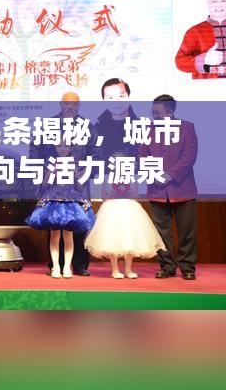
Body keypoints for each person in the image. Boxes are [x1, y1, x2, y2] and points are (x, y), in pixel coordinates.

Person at [29, 91, 100, 276]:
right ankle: (55, 265)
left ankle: (80, 265)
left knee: (80, 224)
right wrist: (44, 172)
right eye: (67, 103)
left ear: (79, 106)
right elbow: (34, 151)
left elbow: (96, 153)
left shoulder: (87, 126)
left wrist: (86, 172)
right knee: (54, 225)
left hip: (78, 183)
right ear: (60, 104)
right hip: (53, 183)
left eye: (74, 104)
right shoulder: (48, 125)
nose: (70, 107)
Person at [138, 95, 199, 280]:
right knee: (161, 231)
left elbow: (189, 157)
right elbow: (142, 156)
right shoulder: (146, 130)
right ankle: (167, 267)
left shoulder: (187, 128)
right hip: (156, 189)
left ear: (170, 111)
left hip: (183, 189)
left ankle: (187, 267)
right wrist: (156, 175)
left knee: (187, 231)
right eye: (153, 112)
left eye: (157, 112)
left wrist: (169, 175)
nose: (154, 115)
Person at [84, 152, 166, 278]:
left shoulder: (131, 178)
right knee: (112, 239)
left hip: (130, 210)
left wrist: (131, 193)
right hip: (111, 210)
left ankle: (128, 269)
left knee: (129, 239)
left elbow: (136, 195)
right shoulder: (107, 178)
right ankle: (115, 270)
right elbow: (104, 197)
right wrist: (110, 195)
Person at [25, 141, 96, 278]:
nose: (62, 149)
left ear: (71, 148)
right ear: (55, 148)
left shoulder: (74, 164)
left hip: (71, 200)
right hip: (54, 200)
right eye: (59, 146)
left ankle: (67, 267)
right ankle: (56, 267)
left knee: (69, 235)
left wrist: (76, 175)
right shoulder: (52, 163)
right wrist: (49, 174)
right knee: (54, 235)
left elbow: (79, 188)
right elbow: (45, 186)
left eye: (66, 146)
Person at [176, 0, 226, 79]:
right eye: (214, 1)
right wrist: (204, 59)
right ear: (208, 4)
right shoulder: (195, 31)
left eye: (223, 0)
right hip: (207, 86)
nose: (219, 5)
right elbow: (180, 62)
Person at [94, 78, 139, 163]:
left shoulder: (141, 127)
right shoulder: (97, 129)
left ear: (129, 97)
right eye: (110, 98)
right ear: (104, 100)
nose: (116, 101)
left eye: (121, 96)